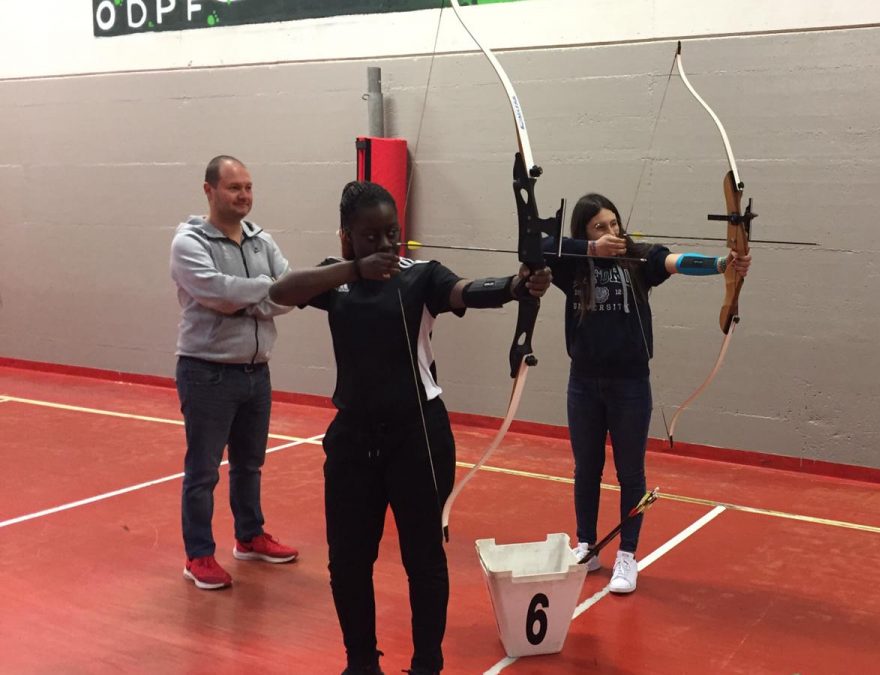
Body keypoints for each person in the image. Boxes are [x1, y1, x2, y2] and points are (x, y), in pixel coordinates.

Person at [268, 181, 551, 675]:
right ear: (347, 237)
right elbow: (279, 291)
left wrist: (514, 285)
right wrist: (353, 269)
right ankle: (360, 663)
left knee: (423, 559)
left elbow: (463, 292)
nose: (383, 245)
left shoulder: (421, 276)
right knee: (348, 561)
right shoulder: (335, 280)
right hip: (353, 439)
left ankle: (427, 665)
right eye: (369, 235)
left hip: (417, 436)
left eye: (392, 234)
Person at [544, 193, 751, 594]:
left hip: (630, 385)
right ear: (584, 233)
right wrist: (589, 249)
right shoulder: (573, 267)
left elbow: (673, 262)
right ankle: (586, 545)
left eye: (614, 224)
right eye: (599, 227)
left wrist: (723, 264)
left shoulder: (635, 257)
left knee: (630, 473)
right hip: (583, 383)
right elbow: (537, 247)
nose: (611, 233)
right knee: (585, 468)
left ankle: (627, 555)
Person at [169, 155, 299, 591]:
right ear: (209, 190)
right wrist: (266, 293)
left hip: (255, 374)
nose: (244, 196)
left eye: (248, 187)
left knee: (250, 464)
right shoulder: (189, 243)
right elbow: (219, 293)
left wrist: (256, 295)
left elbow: (289, 291)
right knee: (203, 471)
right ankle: (199, 555)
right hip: (207, 374)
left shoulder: (262, 241)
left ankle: (249, 536)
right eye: (233, 188)